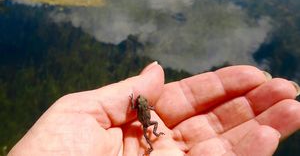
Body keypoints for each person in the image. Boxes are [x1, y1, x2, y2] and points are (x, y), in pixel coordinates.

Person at [8, 62, 300, 156]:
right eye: (143, 101)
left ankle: (152, 139)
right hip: (143, 125)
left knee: (151, 129)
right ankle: (151, 139)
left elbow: (136, 103)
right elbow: (137, 104)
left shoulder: (141, 107)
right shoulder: (142, 108)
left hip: (142, 124)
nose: (143, 101)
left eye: (142, 101)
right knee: (150, 128)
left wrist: (136, 103)